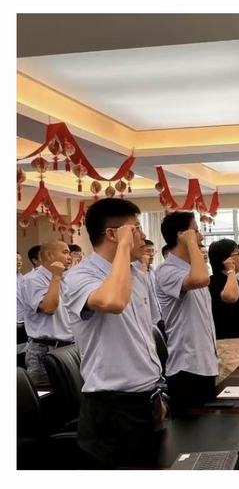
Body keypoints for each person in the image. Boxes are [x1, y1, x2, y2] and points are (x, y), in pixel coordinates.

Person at [63, 198, 166, 468]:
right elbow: (113, 302)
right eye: (136, 229)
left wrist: (156, 391)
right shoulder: (79, 276)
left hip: (147, 399)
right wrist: (123, 247)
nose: (143, 236)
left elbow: (143, 338)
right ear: (112, 234)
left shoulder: (136, 274)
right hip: (112, 408)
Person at [156, 211, 217, 414]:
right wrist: (191, 243)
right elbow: (201, 279)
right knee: (190, 431)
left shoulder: (193, 269)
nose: (200, 237)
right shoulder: (167, 270)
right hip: (186, 367)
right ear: (181, 235)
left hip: (204, 363)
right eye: (195, 232)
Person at [20, 240, 73, 385]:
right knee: (48, 395)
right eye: (65, 252)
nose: (69, 257)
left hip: (67, 346)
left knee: (70, 394)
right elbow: (49, 308)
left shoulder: (65, 278)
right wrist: (55, 277)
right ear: (49, 255)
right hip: (44, 350)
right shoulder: (32, 279)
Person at [208, 239, 239, 383]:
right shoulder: (215, 281)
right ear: (225, 259)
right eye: (237, 254)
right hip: (227, 342)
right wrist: (231, 270)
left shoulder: (231, 279)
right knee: (232, 382)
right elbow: (231, 297)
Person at [134, 239, 164, 335]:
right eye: (148, 251)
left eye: (153, 251)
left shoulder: (152, 271)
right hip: (145, 319)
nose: (151, 254)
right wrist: (144, 265)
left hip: (159, 317)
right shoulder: (135, 270)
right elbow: (140, 288)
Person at [17, 253, 27, 344]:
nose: (19, 262)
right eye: (16, 260)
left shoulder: (24, 278)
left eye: (20, 260)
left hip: (24, 322)